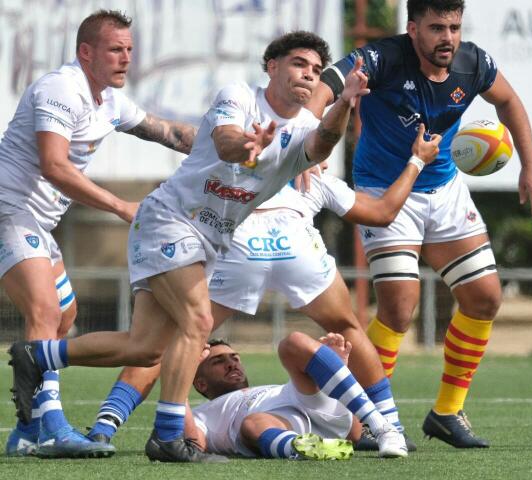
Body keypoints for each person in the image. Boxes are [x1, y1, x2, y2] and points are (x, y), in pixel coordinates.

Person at [8, 31, 374, 463]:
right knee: (198, 319)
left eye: (316, 71)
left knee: (144, 347)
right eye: (298, 63)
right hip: (169, 220)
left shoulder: (308, 127)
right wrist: (248, 146)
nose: (308, 75)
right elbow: (225, 141)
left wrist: (345, 101)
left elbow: (324, 143)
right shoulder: (238, 95)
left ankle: (39, 354)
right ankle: (167, 435)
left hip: (208, 238)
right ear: (272, 66)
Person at [85, 127, 441, 455]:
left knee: (173, 340)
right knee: (347, 326)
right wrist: (416, 161)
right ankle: (388, 424)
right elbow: (381, 212)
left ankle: (104, 427)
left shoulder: (228, 169)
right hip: (294, 245)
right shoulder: (314, 178)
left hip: (240, 250)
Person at [306, 0, 532, 449]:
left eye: (454, 27)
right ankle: (364, 420)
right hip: (384, 190)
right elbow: (326, 85)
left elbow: (509, 101)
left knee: (485, 297)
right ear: (413, 28)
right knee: (400, 307)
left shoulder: (472, 63)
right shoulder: (383, 57)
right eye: (437, 28)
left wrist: (531, 164)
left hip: (444, 188)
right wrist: (305, 141)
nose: (448, 38)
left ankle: (447, 412)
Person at [0, 10, 198, 458]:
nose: (126, 58)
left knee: (64, 322)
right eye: (115, 49)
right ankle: (49, 428)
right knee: (45, 313)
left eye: (129, 49)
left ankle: (26, 431)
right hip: (8, 209)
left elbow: (168, 131)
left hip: (38, 223)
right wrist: (120, 206)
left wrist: (236, 142)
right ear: (86, 52)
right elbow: (54, 166)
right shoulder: (60, 89)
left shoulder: (109, 100)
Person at [187, 332, 392, 460]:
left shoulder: (265, 389)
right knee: (252, 424)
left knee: (294, 343)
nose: (232, 364)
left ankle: (335, 379)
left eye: (235, 358)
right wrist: (181, 376)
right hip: (281, 425)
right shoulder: (200, 414)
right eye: (218, 361)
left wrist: (325, 371)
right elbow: (196, 443)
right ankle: (303, 447)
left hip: (298, 397)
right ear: (200, 383)